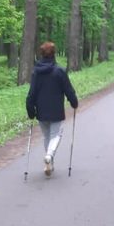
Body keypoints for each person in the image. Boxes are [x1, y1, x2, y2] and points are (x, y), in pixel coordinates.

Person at [26, 42, 79, 177]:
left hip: (41, 111)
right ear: (54, 54)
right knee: (56, 135)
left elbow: (32, 93)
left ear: (42, 54)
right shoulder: (59, 71)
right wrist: (74, 102)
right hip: (56, 110)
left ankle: (49, 164)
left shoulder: (36, 72)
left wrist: (30, 109)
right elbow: (68, 89)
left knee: (47, 136)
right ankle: (49, 156)